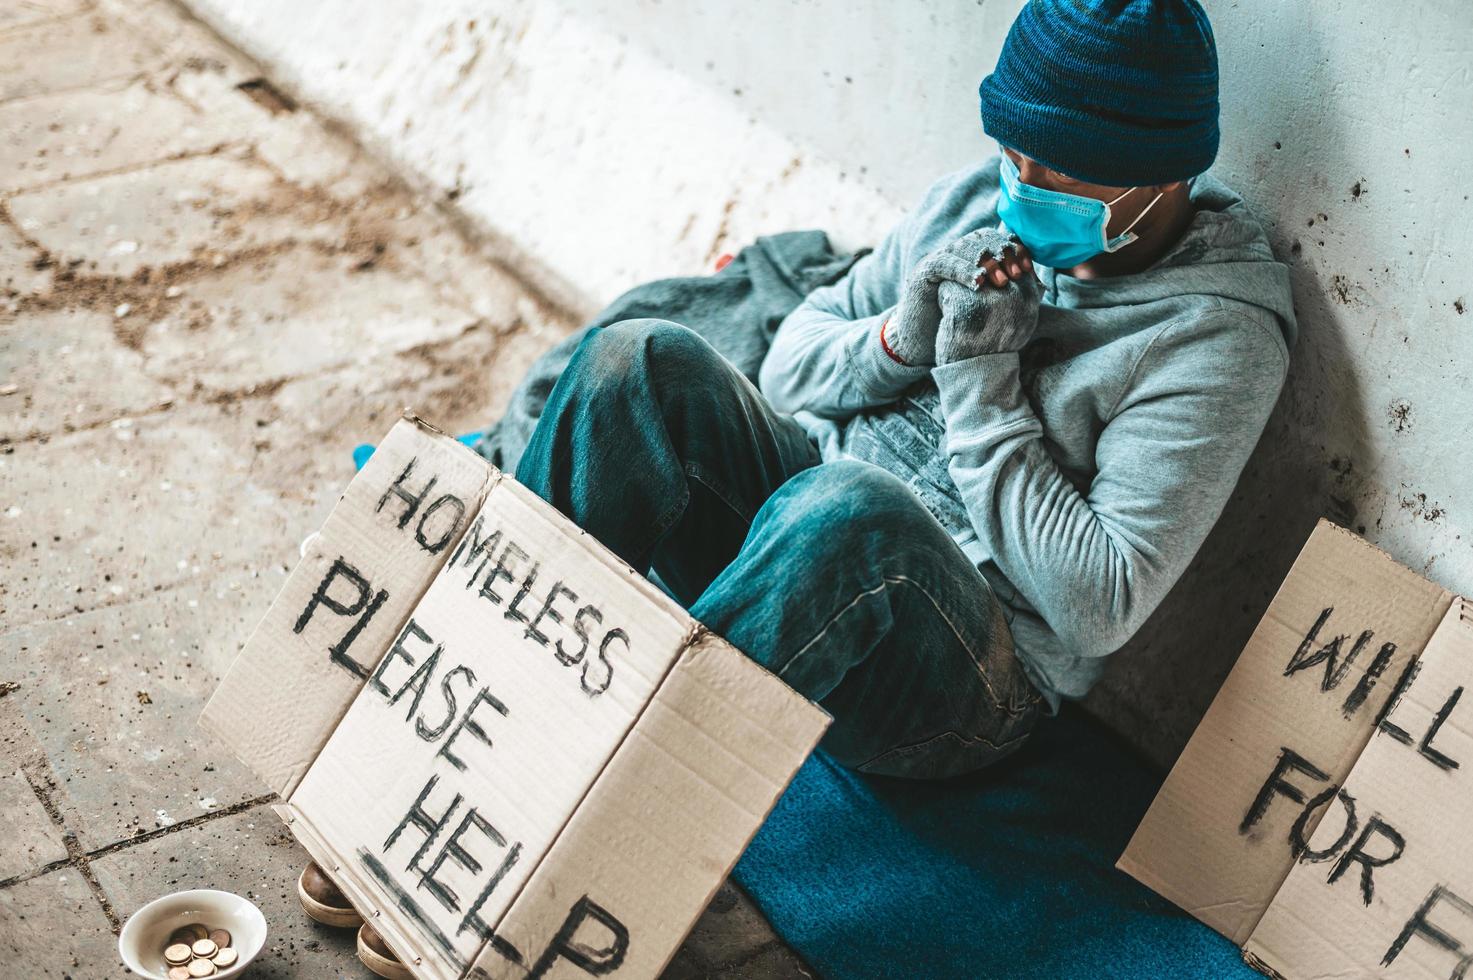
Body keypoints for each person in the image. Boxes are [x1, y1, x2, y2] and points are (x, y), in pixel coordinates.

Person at [300, 0, 1296, 972]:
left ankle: (552, 858)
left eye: (1052, 171)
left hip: (963, 666)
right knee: (635, 361)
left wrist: (979, 383)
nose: (1016, 187)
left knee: (846, 514)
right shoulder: (971, 202)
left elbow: (1098, 605)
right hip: (806, 542)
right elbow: (789, 363)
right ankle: (442, 773)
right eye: (1010, 152)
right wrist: (901, 336)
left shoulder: (1214, 334)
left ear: (1158, 180)